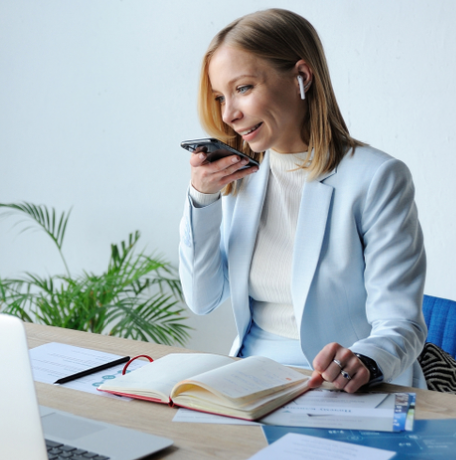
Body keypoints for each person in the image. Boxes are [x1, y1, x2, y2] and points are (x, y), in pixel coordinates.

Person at [178, 9, 427, 392]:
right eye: (219, 97)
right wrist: (202, 199)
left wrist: (364, 362)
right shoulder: (239, 177)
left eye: (243, 88)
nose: (229, 114)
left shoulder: (377, 179)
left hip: (342, 387)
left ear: (301, 77)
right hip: (251, 379)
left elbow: (401, 323)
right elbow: (202, 299)